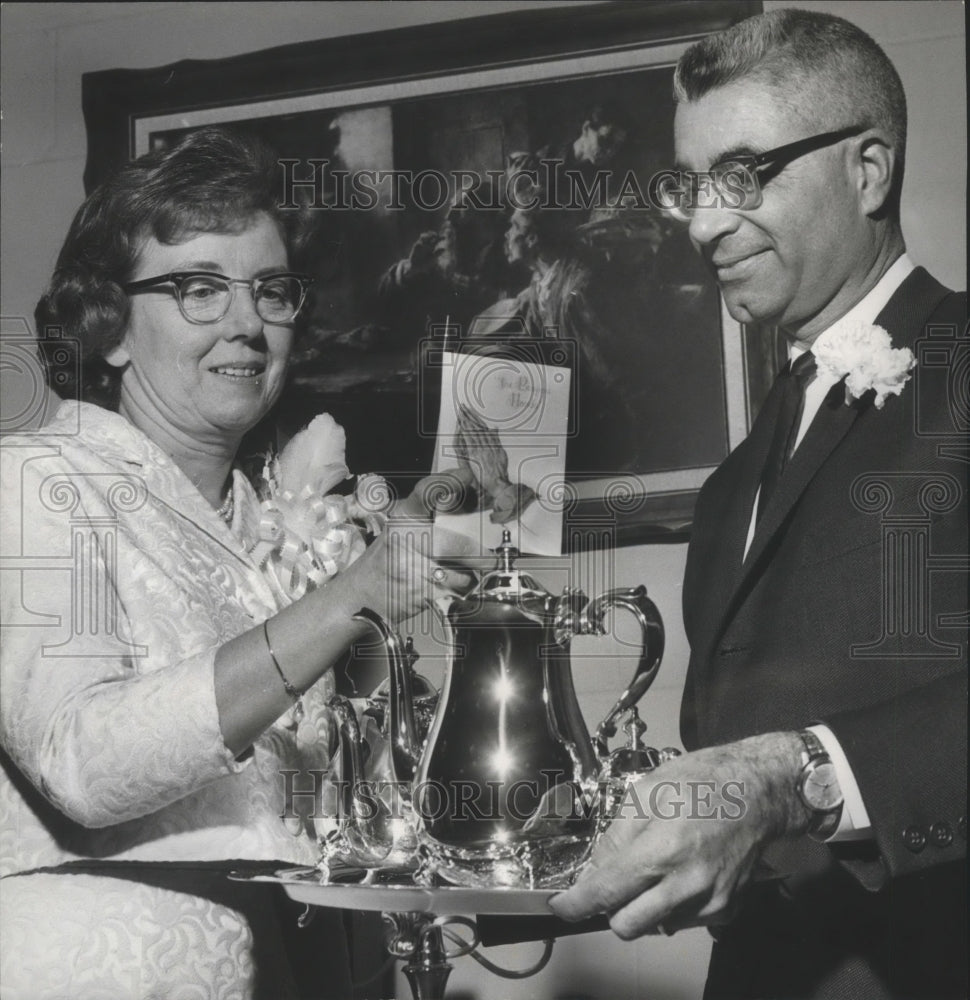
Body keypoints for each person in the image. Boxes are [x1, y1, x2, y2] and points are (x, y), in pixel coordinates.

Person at [551, 10, 967, 999]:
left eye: (742, 176)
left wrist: (795, 777)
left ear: (867, 170)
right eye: (690, 186)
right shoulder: (738, 475)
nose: (700, 223)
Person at [0, 127, 467, 999]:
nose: (248, 323)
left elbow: (344, 792)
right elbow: (80, 762)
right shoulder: (36, 479)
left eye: (269, 291)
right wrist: (344, 603)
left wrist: (403, 579)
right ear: (108, 330)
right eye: (199, 289)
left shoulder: (272, 524)